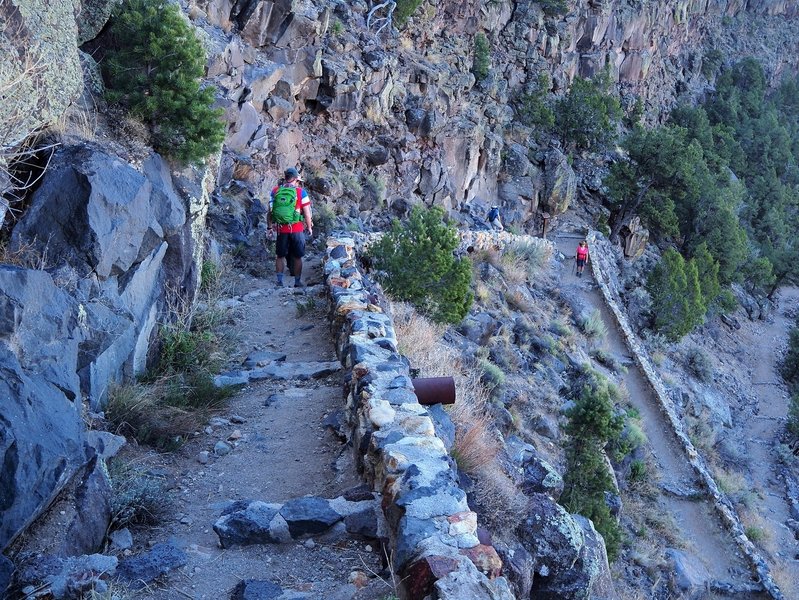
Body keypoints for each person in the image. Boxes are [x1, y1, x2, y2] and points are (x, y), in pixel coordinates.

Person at [267, 167, 313, 287]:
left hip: (281, 229)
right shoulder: (301, 192)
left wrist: (269, 227)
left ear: (285, 178)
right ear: (296, 180)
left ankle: (279, 281)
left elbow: (270, 211)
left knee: (280, 256)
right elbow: (307, 213)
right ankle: (297, 282)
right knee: (298, 256)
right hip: (297, 228)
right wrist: (309, 227)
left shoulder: (275, 191)